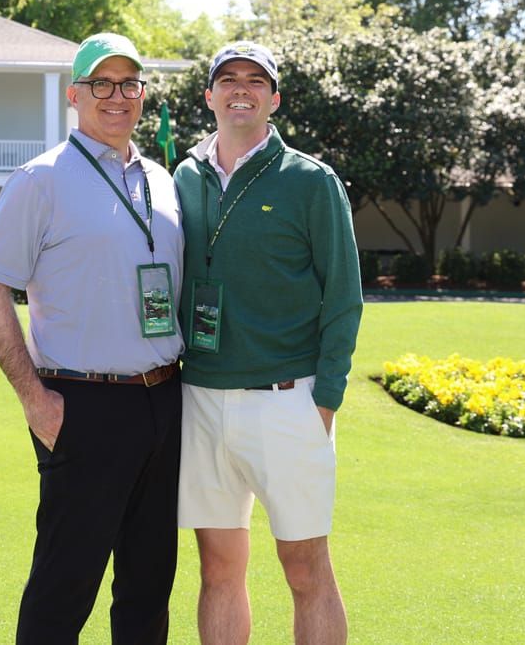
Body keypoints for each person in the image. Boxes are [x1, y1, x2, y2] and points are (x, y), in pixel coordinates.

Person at [0, 33, 184, 645]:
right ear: (75, 95)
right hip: (81, 404)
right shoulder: (41, 179)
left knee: (148, 585)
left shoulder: (162, 182)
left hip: (165, 400)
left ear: (143, 94)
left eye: (128, 84)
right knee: (65, 588)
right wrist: (35, 401)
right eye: (101, 84)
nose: (116, 97)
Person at [173, 41, 363, 645]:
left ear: (274, 98)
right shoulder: (184, 176)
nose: (241, 90)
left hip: (288, 399)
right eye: (227, 79)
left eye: (256, 81)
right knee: (218, 570)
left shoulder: (312, 181)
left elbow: (344, 298)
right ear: (209, 97)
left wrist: (325, 399)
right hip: (201, 398)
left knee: (306, 570)